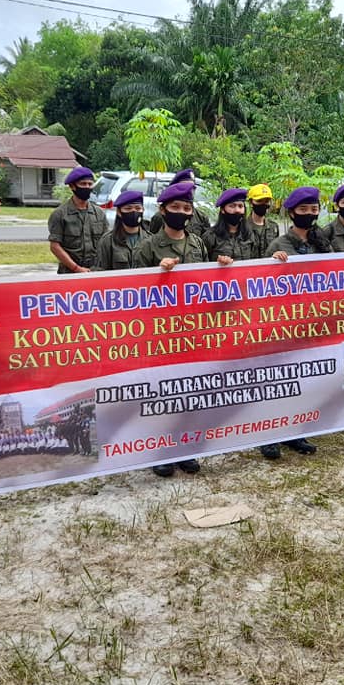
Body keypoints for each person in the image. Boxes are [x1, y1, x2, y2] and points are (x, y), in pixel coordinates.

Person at [135, 181, 216, 477]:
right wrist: (158, 274)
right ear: (163, 210)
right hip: (161, 331)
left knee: (190, 389)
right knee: (162, 391)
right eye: (175, 208)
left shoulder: (197, 243)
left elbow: (209, 284)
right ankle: (160, 451)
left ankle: (185, 448)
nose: (181, 212)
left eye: (186, 208)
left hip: (193, 329)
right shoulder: (148, 246)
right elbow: (134, 290)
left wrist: (223, 266)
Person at [261, 186, 331, 460]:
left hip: (311, 324)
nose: (309, 215)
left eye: (314, 210)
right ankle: (268, 436)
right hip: (281, 325)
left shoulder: (321, 243)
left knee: (302, 379)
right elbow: (262, 284)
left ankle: (295, 432)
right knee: (277, 381)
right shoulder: (279, 246)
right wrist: (274, 264)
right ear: (292, 214)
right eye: (303, 211)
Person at [48, 166, 108, 273]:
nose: (87, 187)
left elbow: (107, 242)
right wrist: (76, 268)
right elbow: (55, 246)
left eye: (90, 184)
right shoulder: (60, 214)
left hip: (95, 270)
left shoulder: (99, 213)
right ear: (72, 186)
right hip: (70, 272)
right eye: (83, 184)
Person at [92, 190, 150, 270]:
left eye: (138, 208)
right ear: (119, 212)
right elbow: (100, 271)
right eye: (128, 208)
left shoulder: (151, 240)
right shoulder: (108, 241)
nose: (134, 212)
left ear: (143, 210)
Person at [202, 188, 260, 262]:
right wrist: (218, 263)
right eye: (232, 206)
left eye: (240, 206)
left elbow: (257, 263)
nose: (237, 210)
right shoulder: (209, 237)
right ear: (223, 210)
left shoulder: (251, 235)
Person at [148, 169, 211, 237]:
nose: (189, 190)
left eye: (192, 188)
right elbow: (153, 239)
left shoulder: (201, 217)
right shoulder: (160, 216)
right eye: (184, 186)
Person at [244, 183, 279, 255]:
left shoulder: (274, 227)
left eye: (266, 201)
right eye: (259, 201)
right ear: (251, 202)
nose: (263, 204)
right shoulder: (241, 227)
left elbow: (276, 249)